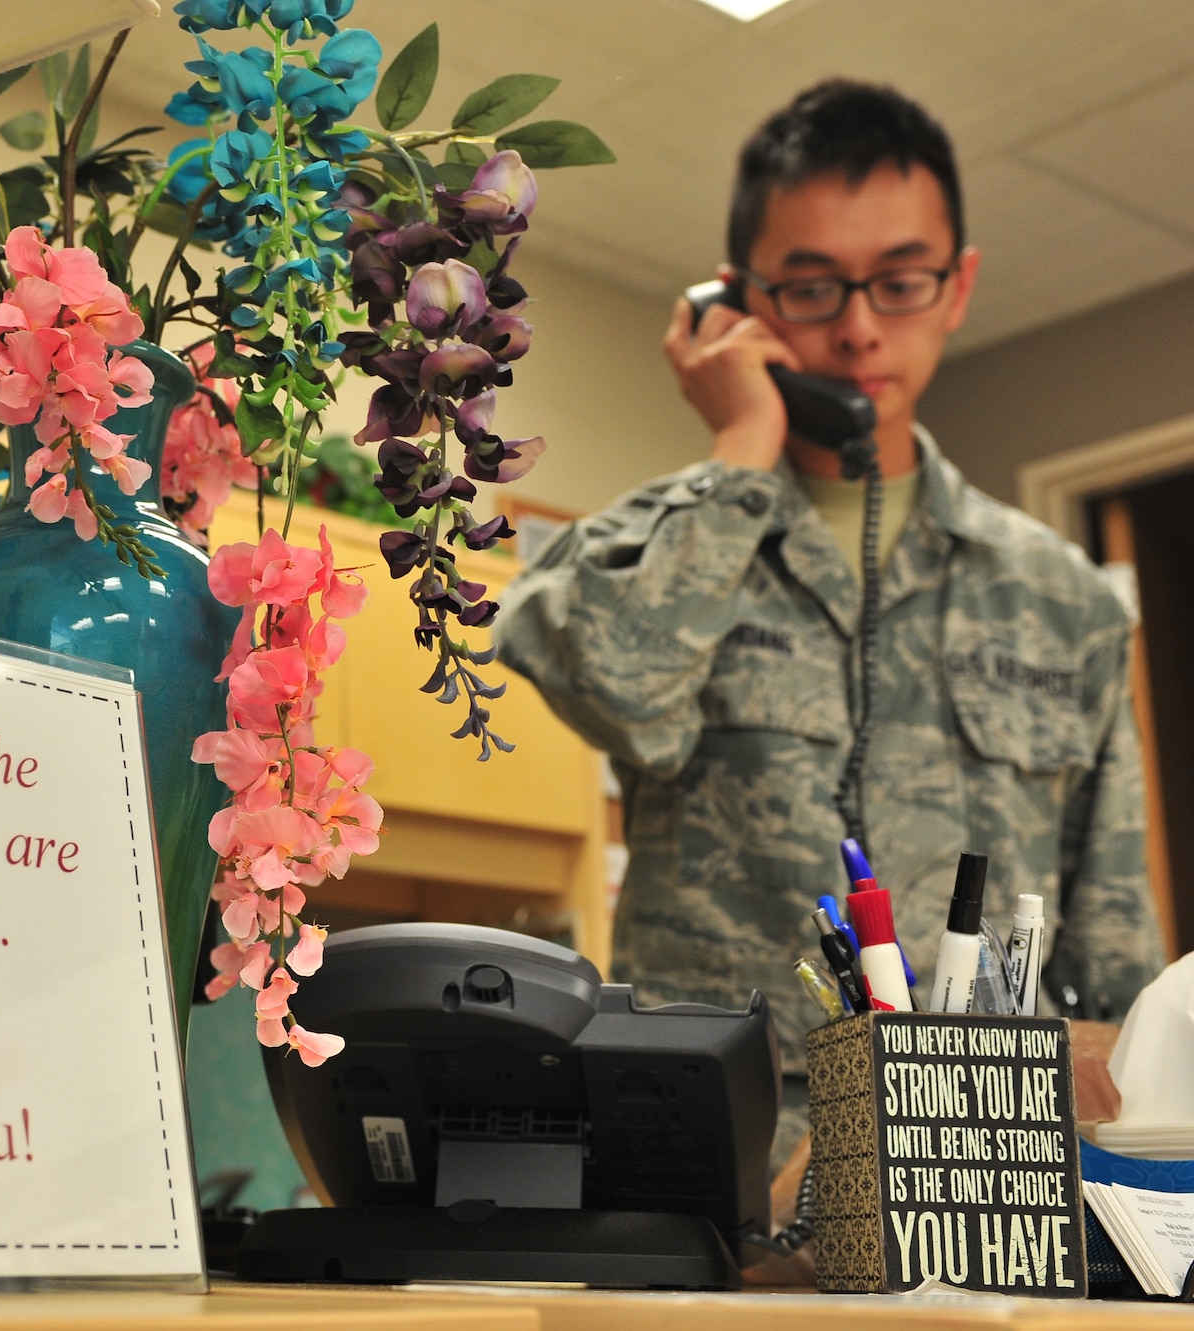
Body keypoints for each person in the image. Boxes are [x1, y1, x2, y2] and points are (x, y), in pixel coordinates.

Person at [493, 79, 1165, 1158]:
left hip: (988, 1166)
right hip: (721, 1167)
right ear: (736, 302)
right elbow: (617, 682)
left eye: (898, 281)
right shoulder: (646, 548)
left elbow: (1116, 953)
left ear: (957, 286)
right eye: (809, 289)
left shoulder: (1067, 600)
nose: (857, 331)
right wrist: (737, 454)